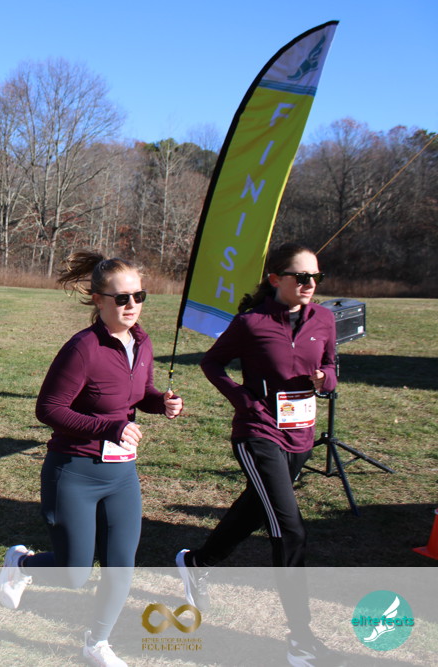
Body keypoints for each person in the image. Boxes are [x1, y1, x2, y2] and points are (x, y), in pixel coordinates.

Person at [0, 251, 183, 667]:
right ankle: (21, 563)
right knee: (73, 574)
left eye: (139, 296)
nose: (132, 305)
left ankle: (96, 642)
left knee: (121, 565)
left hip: (121, 475)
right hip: (74, 472)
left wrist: (162, 403)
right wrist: (107, 428)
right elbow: (48, 409)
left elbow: (139, 394)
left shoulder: (142, 342)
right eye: (121, 298)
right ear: (98, 300)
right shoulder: (82, 348)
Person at [174, 242, 344, 666]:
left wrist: (325, 379)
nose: (309, 284)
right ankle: (300, 639)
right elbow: (212, 363)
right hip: (259, 433)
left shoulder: (324, 319)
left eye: (316, 277)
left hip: (300, 435)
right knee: (290, 529)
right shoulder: (252, 323)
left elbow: (332, 367)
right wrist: (243, 400)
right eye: (300, 276)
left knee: (255, 508)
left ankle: (196, 562)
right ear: (275, 279)